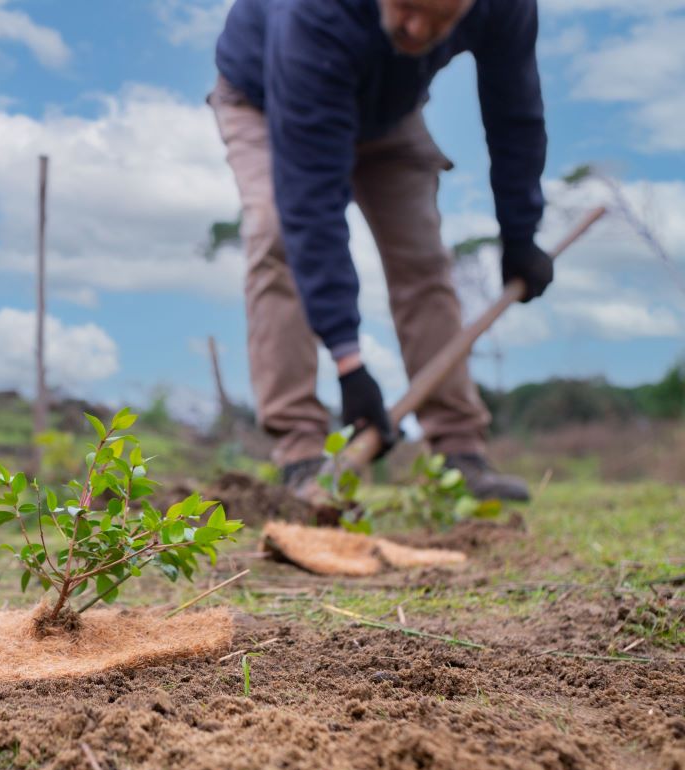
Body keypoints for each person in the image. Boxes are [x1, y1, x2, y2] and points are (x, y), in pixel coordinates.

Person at [209, 0, 552, 501]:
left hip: (389, 108)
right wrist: (349, 362)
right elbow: (311, 202)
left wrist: (520, 233)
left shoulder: (507, 6)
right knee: (278, 234)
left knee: (423, 257)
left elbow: (514, 109)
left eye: (440, 20)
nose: (417, 29)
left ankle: (459, 455)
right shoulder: (315, 14)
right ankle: (301, 456)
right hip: (267, 98)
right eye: (408, 7)